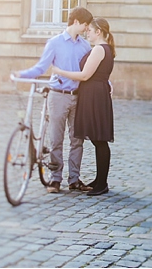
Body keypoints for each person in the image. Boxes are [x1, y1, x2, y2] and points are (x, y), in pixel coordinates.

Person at [11, 7, 94, 194]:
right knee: (56, 139)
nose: (87, 29)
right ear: (76, 22)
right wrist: (21, 74)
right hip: (58, 96)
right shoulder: (54, 43)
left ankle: (74, 179)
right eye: (85, 25)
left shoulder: (85, 46)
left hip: (78, 98)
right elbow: (41, 68)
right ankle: (55, 179)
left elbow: (91, 71)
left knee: (77, 140)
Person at [52, 18, 115, 196]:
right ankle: (99, 180)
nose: (87, 33)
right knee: (98, 139)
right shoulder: (105, 49)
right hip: (95, 94)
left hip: (94, 96)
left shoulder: (99, 49)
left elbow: (85, 75)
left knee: (99, 140)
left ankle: (102, 183)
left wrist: (60, 72)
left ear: (98, 32)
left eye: (90, 30)